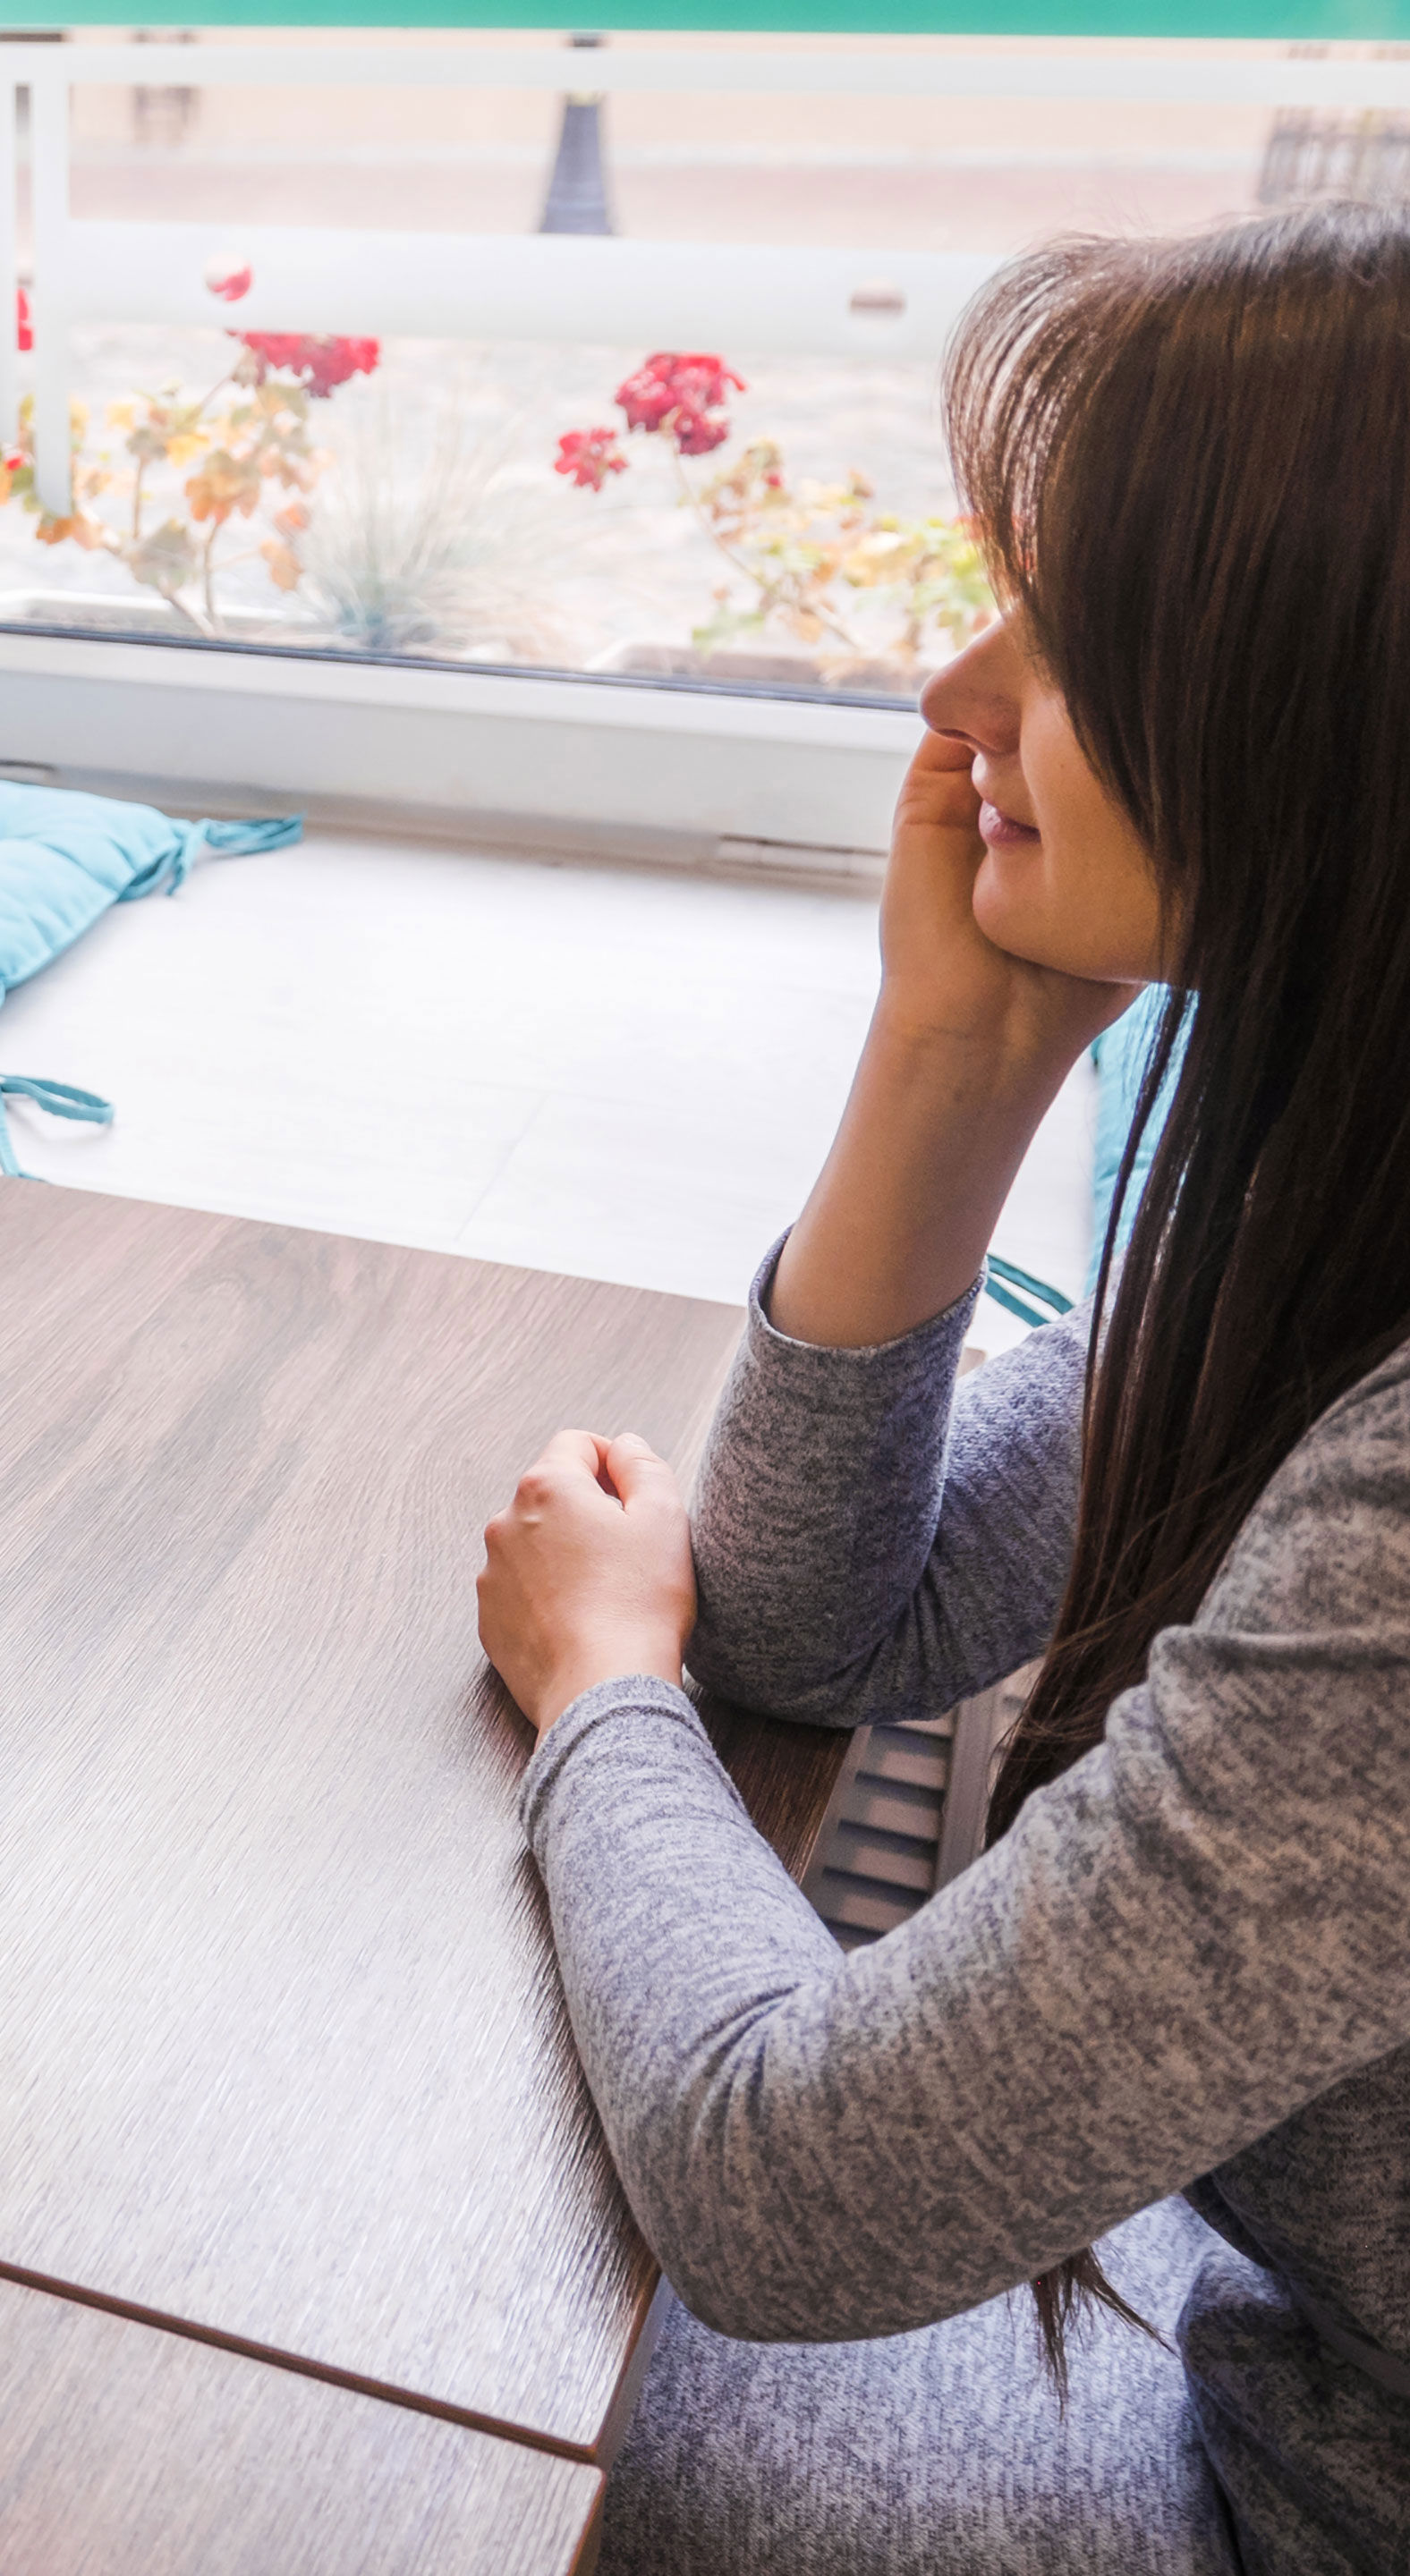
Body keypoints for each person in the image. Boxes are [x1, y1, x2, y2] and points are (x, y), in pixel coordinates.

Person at [476, 201, 1410, 2574]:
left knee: (499, 2418)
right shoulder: (1339, 1217)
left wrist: (601, 1690)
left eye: (1069, 638)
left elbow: (785, 2190)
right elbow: (816, 1623)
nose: (957, 697)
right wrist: (955, 1053)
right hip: (1268, 2376)